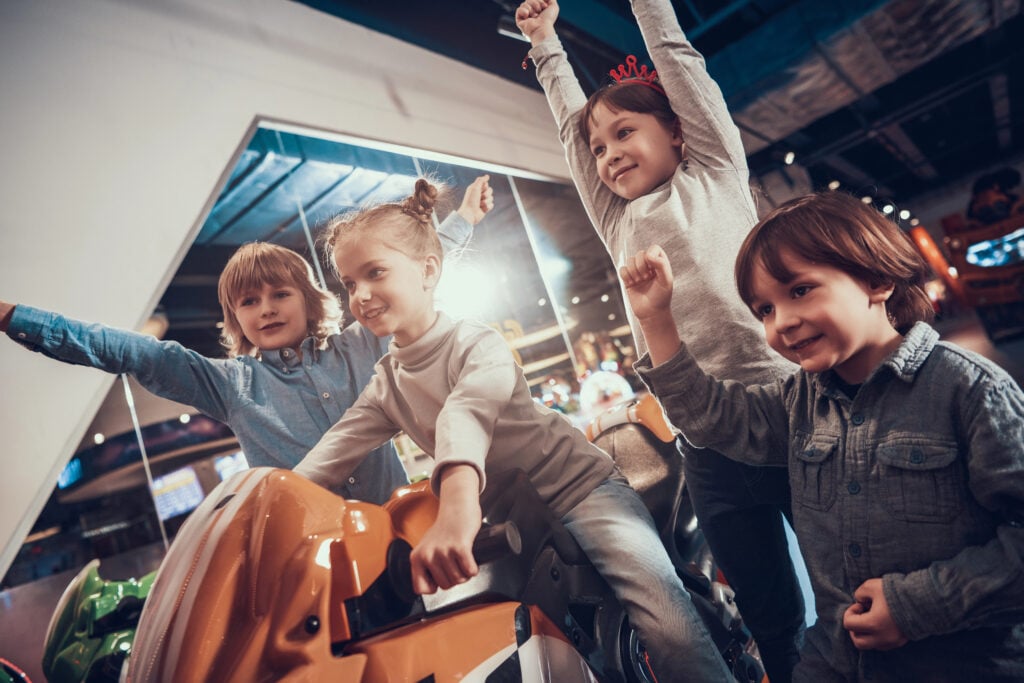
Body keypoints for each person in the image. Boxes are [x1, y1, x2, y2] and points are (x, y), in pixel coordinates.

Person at [294, 178, 734, 682]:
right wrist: (264, 500)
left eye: (375, 273)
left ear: (428, 270)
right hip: (514, 518)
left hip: (577, 489)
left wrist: (457, 510)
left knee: (664, 619)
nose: (361, 295)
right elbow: (328, 455)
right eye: (349, 283)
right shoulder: (386, 383)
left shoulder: (475, 343)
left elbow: (467, 413)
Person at [621, 191, 1024, 682]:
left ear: (877, 280)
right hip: (837, 661)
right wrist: (656, 318)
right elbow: (708, 417)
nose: (783, 323)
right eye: (764, 310)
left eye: (800, 291)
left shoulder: (968, 389)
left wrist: (916, 604)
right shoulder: (797, 403)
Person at [516, 1, 805, 679]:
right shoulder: (617, 220)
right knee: (770, 612)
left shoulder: (714, 172)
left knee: (847, 578)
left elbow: (680, 64)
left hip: (787, 410)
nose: (610, 154)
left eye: (625, 133)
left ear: (677, 132)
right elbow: (571, 133)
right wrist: (544, 42)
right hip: (705, 444)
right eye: (600, 147)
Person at [0, 176, 494, 504]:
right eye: (249, 302)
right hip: (314, 562)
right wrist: (15, 318)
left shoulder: (358, 346)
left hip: (400, 535)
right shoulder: (231, 384)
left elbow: (409, 276)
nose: (266, 309)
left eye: (280, 294)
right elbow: (133, 351)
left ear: (309, 299)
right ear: (235, 317)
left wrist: (464, 220)